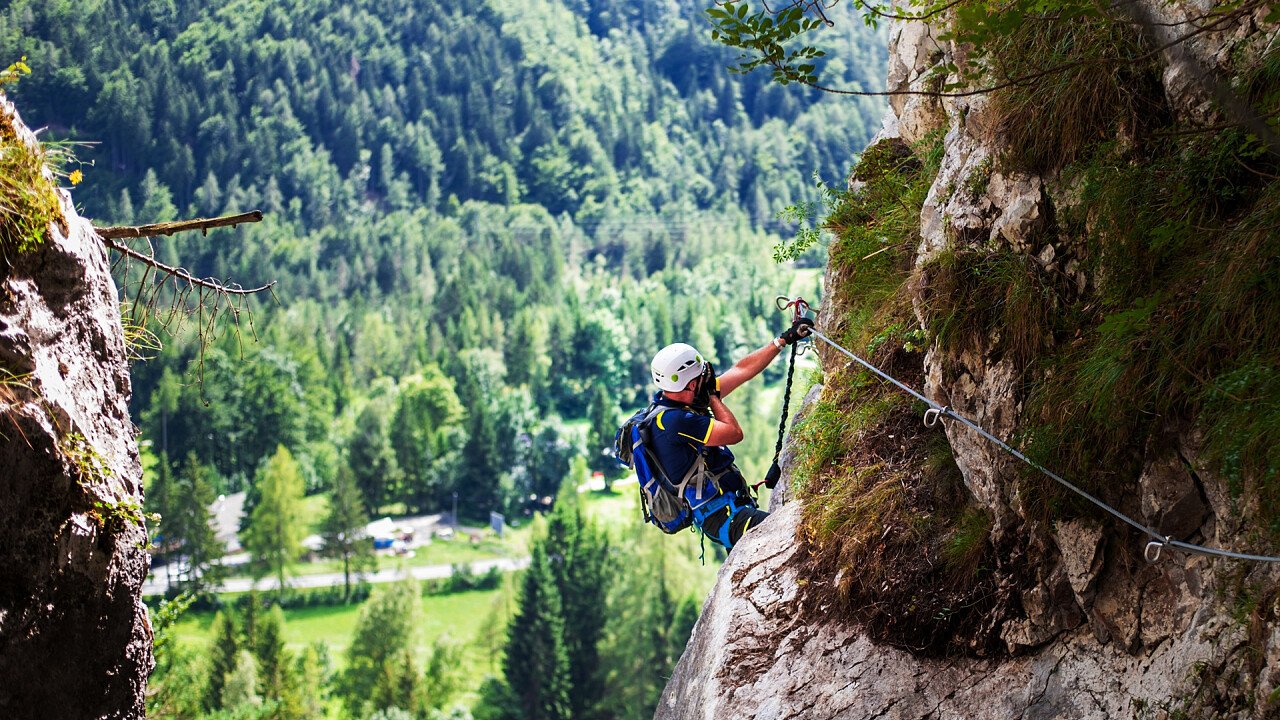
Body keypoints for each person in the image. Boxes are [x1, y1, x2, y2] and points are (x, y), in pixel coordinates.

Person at [645, 317, 813, 550]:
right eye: (702, 375)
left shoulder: (681, 402)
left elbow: (741, 370)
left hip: (729, 508)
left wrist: (783, 340)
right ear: (691, 384)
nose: (707, 378)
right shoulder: (676, 421)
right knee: (796, 534)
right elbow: (734, 433)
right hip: (722, 516)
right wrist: (713, 397)